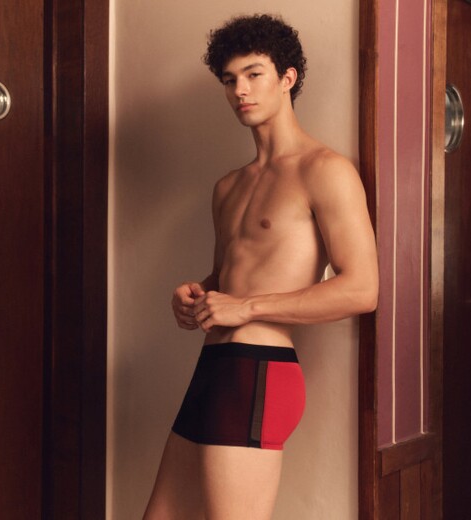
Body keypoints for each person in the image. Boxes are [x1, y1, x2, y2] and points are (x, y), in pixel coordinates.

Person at [143, 13, 378, 520]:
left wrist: (246, 307)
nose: (240, 91)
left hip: (259, 372)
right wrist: (198, 294)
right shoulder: (228, 186)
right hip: (213, 368)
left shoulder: (325, 170)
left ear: (287, 78)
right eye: (230, 80)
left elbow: (362, 288)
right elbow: (229, 278)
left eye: (253, 74)